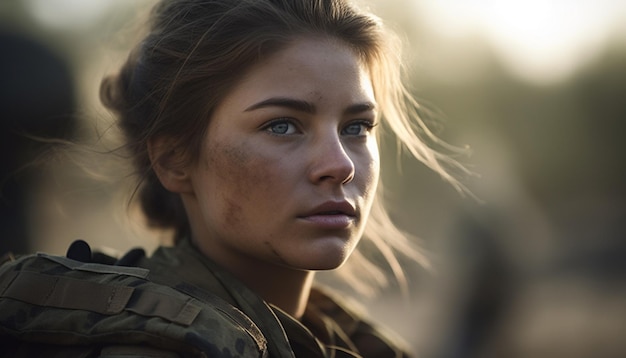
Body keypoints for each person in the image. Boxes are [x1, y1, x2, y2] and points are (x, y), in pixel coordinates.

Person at [0, 0, 468, 356]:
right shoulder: (157, 346)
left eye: (356, 127)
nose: (340, 164)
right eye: (281, 125)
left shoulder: (336, 338)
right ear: (175, 160)